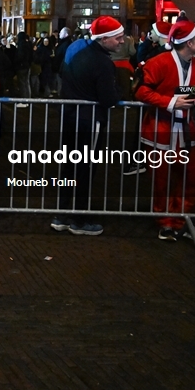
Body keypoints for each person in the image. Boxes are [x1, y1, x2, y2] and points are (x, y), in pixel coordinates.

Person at [135, 20, 195, 242]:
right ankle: (165, 222)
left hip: (187, 132)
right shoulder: (158, 63)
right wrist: (171, 103)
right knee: (162, 180)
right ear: (189, 43)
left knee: (190, 178)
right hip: (160, 132)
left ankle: (183, 220)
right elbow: (141, 91)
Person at [52, 16, 124, 237]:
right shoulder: (102, 62)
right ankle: (79, 219)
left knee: (68, 166)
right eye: (118, 38)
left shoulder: (76, 49)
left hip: (70, 116)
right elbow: (108, 98)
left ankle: (62, 214)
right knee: (85, 169)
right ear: (104, 39)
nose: (122, 42)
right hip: (90, 120)